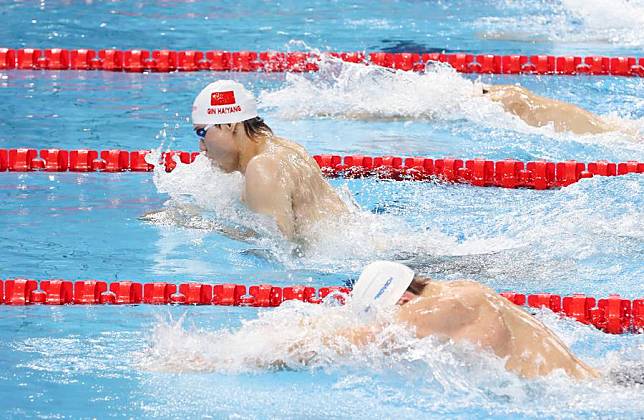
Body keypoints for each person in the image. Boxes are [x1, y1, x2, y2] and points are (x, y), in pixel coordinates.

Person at [330, 261, 599, 380]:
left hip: (582, 399)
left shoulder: (435, 309)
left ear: (403, 301)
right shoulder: (460, 288)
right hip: (596, 380)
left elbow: (351, 343)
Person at [191, 80, 348, 240]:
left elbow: (277, 250)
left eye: (201, 133)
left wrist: (203, 226)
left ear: (229, 124)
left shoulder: (262, 167)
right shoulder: (286, 148)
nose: (201, 147)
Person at [482, 84, 616, 135]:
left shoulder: (509, 97)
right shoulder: (512, 92)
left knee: (609, 132)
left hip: (577, 121)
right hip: (576, 116)